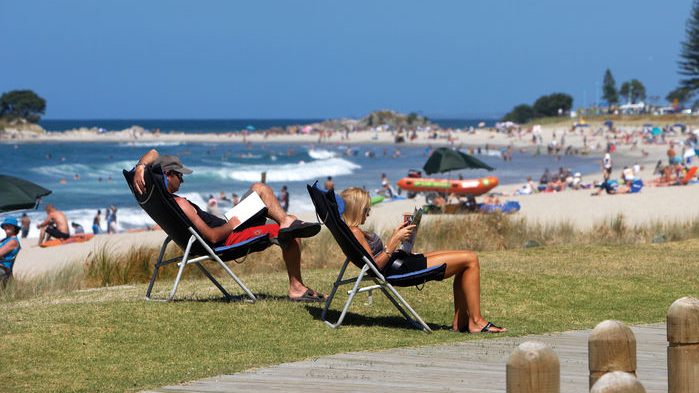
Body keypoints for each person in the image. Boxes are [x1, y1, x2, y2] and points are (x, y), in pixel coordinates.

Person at [133, 149, 325, 302]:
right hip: (228, 235)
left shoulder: (152, 195)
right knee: (290, 231)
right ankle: (297, 288)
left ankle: (285, 220)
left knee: (260, 189)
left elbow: (154, 152)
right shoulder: (181, 204)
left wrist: (141, 167)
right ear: (168, 174)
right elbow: (213, 237)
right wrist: (232, 225)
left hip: (227, 224)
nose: (182, 180)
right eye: (180, 176)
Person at [339, 186, 506, 333]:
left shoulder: (351, 230)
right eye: (365, 210)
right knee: (470, 259)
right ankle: (476, 322)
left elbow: (374, 259)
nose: (368, 214)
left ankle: (460, 322)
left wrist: (398, 238)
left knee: (466, 258)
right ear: (355, 209)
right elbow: (374, 266)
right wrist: (395, 239)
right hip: (401, 270)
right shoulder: (354, 232)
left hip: (401, 262)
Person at [1, 217, 23, 284]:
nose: (7, 227)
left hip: (4, 269)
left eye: (9, 225)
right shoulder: (4, 240)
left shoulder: (13, 241)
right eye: (5, 225)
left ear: (15, 227)